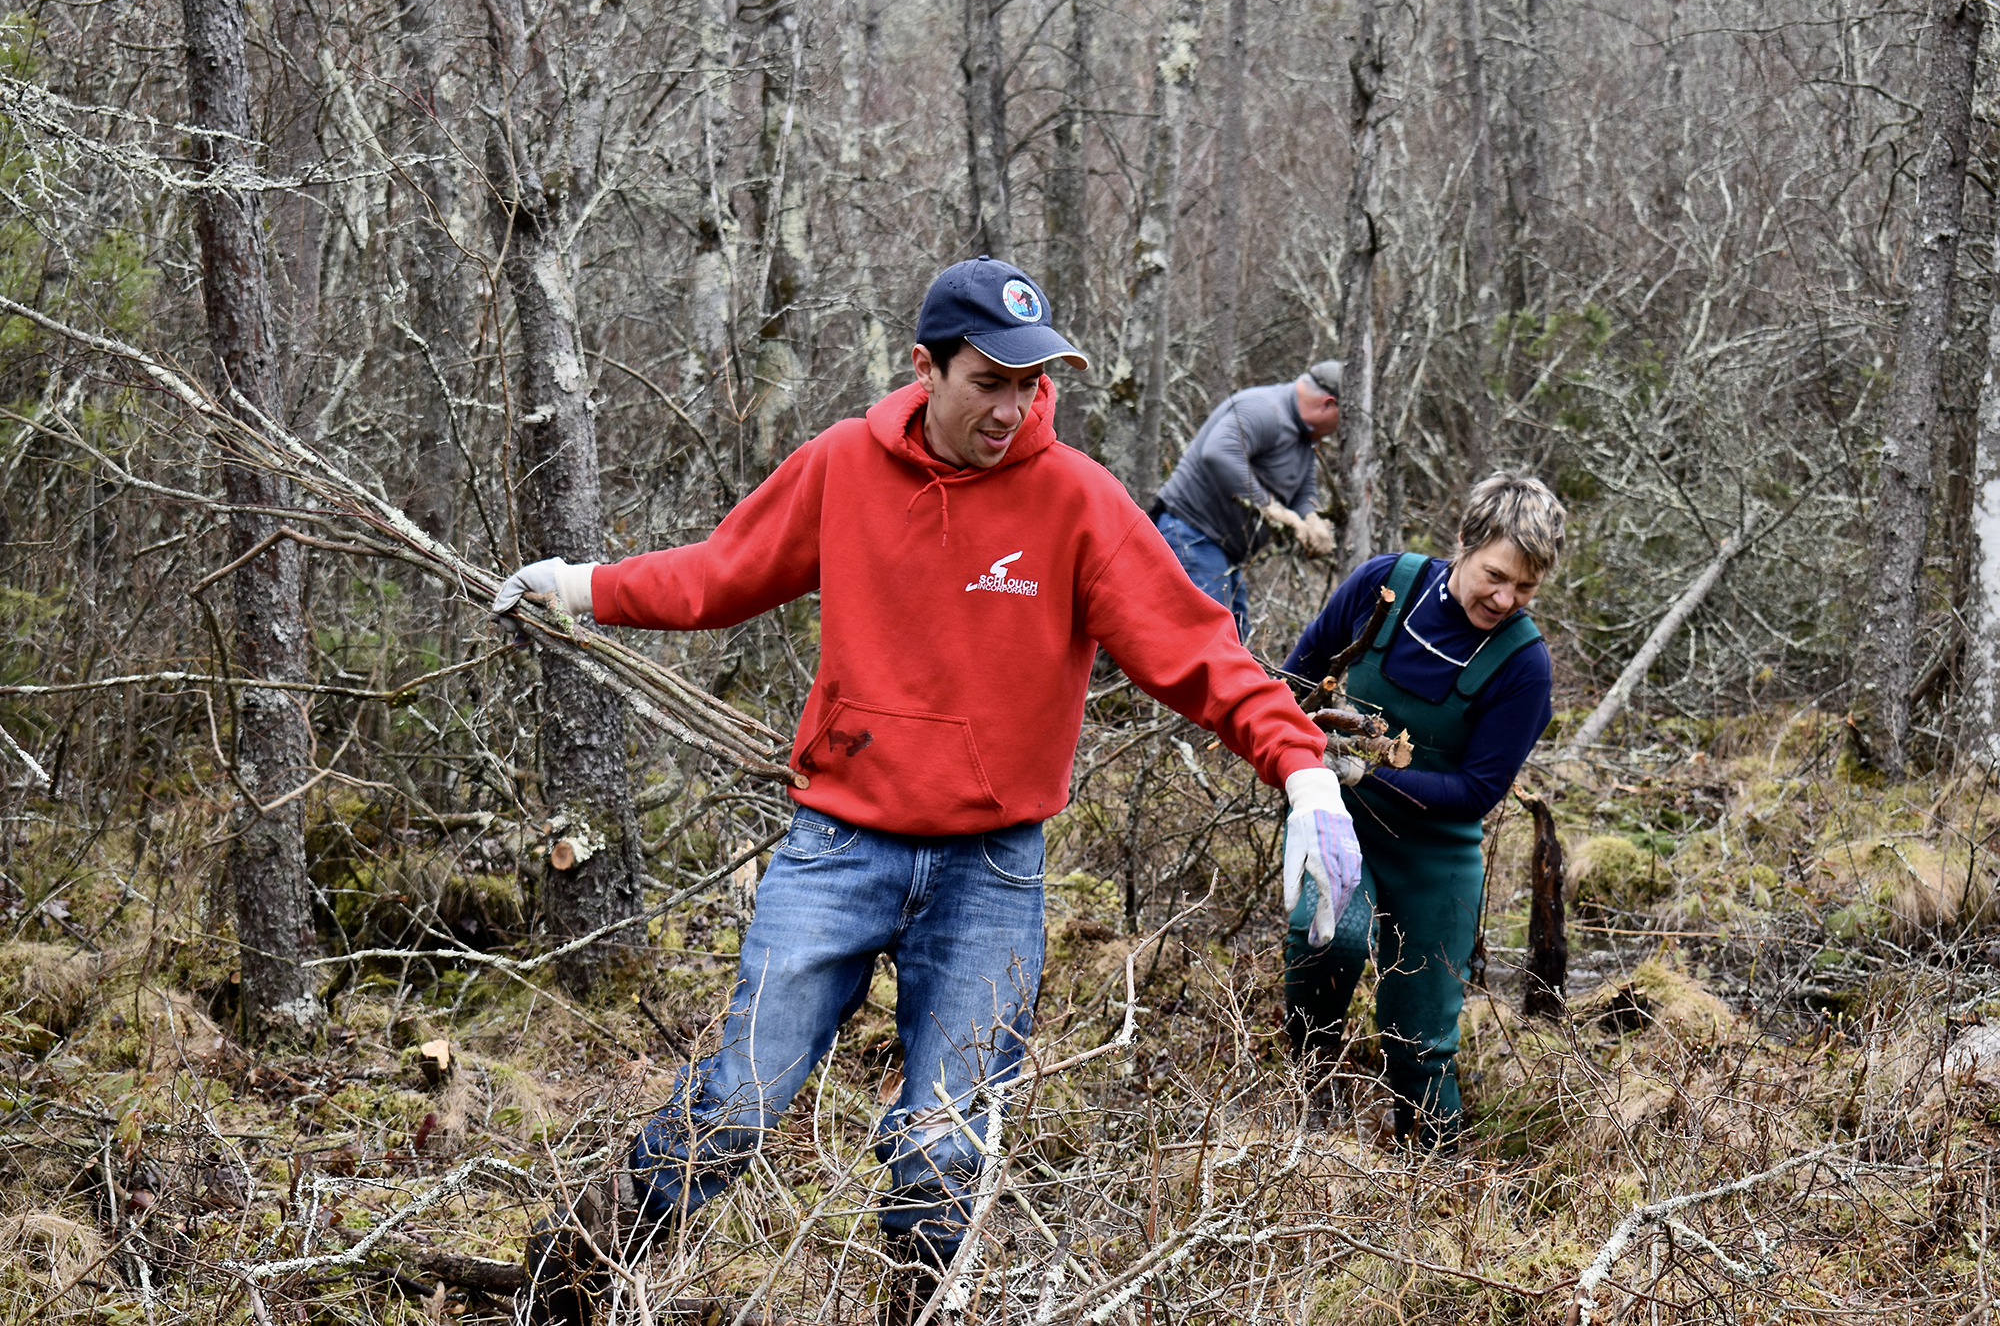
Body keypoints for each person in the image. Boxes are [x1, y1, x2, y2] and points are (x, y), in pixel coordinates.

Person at [491, 256, 1361, 1325]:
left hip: (991, 868)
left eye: (1030, 384)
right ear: (925, 366)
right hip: (835, 845)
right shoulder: (840, 468)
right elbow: (718, 573)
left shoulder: (1076, 500)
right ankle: (570, 1284)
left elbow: (1196, 650)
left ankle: (917, 1307)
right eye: (987, 380)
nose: (1011, 408)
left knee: (943, 1145)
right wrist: (582, 588)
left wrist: (1302, 769)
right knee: (739, 1100)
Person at [1279, 472, 1566, 1153]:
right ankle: (1311, 1082)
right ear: (1462, 540)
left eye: (1525, 588)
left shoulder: (1524, 665)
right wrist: (1306, 761)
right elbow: (1295, 676)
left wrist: (1369, 764)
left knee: (1421, 1039)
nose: (1505, 598)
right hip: (1340, 820)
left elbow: (1474, 791)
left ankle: (1433, 1174)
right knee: (1331, 937)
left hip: (1439, 849)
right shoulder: (1385, 586)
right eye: (1495, 575)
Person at [1151, 360, 1344, 641]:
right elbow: (1219, 452)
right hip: (1191, 533)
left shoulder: (1305, 437)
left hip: (1226, 551)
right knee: (1209, 644)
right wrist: (1271, 508)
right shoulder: (1265, 410)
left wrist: (1312, 519)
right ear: (1328, 404)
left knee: (1236, 642)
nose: (1340, 430)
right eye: (1343, 418)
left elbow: (1304, 491)